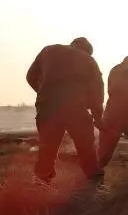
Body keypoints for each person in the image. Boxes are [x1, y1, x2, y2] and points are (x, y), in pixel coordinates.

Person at [26, 37, 105, 184]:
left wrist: (44, 94)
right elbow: (97, 93)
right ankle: (93, 177)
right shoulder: (89, 60)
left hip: (47, 108)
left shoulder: (48, 50)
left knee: (47, 147)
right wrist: (98, 118)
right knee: (86, 145)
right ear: (87, 50)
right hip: (75, 109)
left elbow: (30, 77)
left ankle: (42, 180)